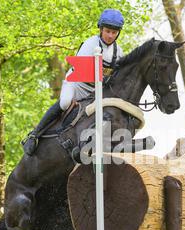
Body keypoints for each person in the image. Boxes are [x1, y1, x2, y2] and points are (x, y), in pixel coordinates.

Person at [22, 9, 125, 156]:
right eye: (108, 31)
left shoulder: (118, 51)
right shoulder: (90, 44)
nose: (110, 36)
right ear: (101, 29)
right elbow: (82, 72)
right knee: (64, 102)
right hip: (77, 83)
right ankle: (34, 135)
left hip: (96, 90)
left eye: (114, 33)